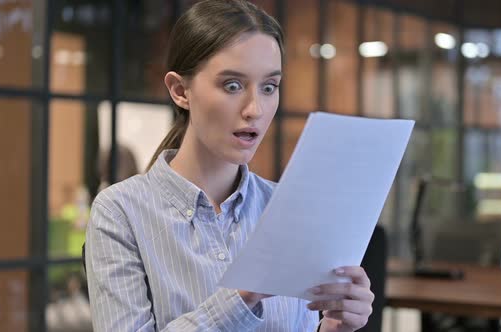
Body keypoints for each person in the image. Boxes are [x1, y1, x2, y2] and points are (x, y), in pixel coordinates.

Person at [84, 1, 374, 331]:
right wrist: (240, 296)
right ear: (180, 91)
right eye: (232, 85)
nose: (255, 109)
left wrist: (334, 328)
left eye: (269, 87)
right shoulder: (120, 212)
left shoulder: (288, 207)